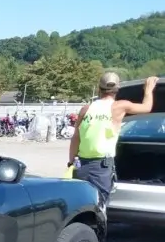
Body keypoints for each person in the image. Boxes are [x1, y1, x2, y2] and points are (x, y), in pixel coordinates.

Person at [68, 74, 158, 205]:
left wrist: (71, 162)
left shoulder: (85, 109)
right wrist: (148, 89)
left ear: (99, 88)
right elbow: (147, 107)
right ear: (117, 89)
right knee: (99, 205)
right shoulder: (119, 106)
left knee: (79, 203)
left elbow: (76, 137)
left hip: (80, 165)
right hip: (101, 166)